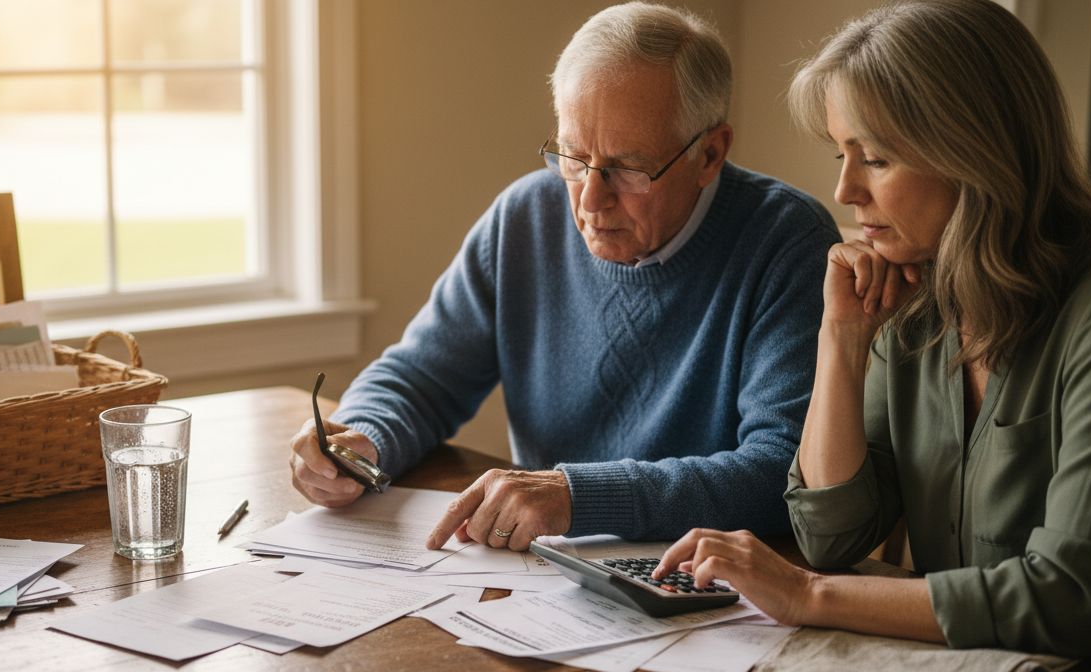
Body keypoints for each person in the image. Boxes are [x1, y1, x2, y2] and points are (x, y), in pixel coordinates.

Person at [654, 0, 1091, 663]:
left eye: (873, 158)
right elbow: (831, 535)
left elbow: (1066, 599)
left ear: (973, 153)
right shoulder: (916, 297)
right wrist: (840, 343)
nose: (844, 190)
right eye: (842, 154)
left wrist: (807, 596)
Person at [288, 2, 839, 552]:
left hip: (708, 583)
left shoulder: (786, 240)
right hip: (540, 571)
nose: (590, 200)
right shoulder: (525, 218)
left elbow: (783, 473)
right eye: (572, 157)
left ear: (710, 153)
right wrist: (361, 439)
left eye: (627, 168)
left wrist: (577, 495)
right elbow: (423, 377)